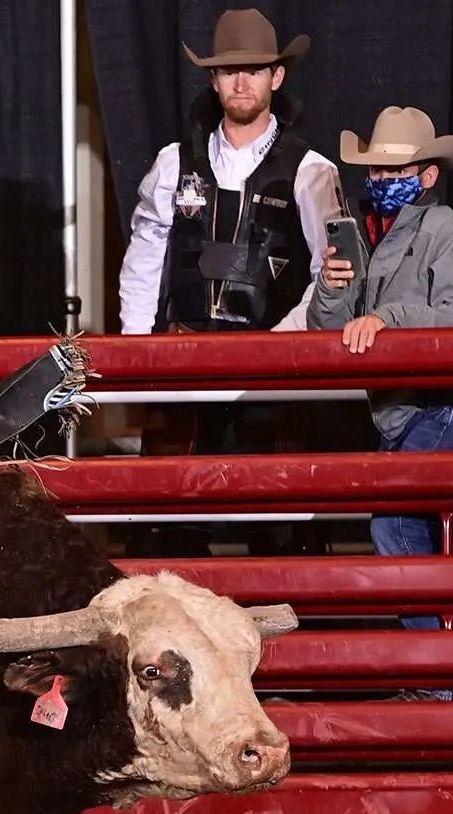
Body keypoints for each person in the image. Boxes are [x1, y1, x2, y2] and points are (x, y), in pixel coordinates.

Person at [115, 8, 342, 557]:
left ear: (276, 77)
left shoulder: (312, 171)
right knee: (170, 512)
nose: (242, 82)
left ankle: (291, 635)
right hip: (185, 359)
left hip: (273, 366)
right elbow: (144, 257)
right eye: (229, 70)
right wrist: (137, 354)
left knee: (279, 518)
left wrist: (280, 345)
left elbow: (327, 273)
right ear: (213, 79)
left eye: (255, 69)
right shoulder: (174, 164)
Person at [310, 106, 453, 698]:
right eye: (378, 173)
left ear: (429, 175)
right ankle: (442, 667)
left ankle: (438, 674)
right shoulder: (364, 235)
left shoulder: (451, 232)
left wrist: (390, 317)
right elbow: (327, 329)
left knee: (396, 519)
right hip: (408, 410)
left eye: (398, 171)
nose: (384, 182)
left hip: (446, 405)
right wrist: (332, 290)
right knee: (403, 523)